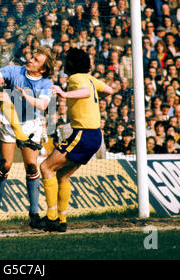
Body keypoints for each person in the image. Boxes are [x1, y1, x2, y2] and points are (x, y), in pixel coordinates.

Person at [39, 48, 114, 232]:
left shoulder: (75, 79)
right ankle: (62, 220)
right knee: (63, 175)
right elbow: (110, 90)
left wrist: (64, 94)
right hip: (95, 136)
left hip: (83, 133)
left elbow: (86, 93)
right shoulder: (90, 78)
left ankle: (51, 217)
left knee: (45, 167)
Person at [0, 46, 54, 228]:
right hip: (8, 121)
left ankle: (34, 212)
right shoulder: (15, 71)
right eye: (32, 57)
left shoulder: (46, 83)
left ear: (43, 69)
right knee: (6, 164)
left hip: (30, 124)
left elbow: (43, 105)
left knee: (31, 165)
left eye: (36, 60)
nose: (31, 60)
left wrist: (26, 97)